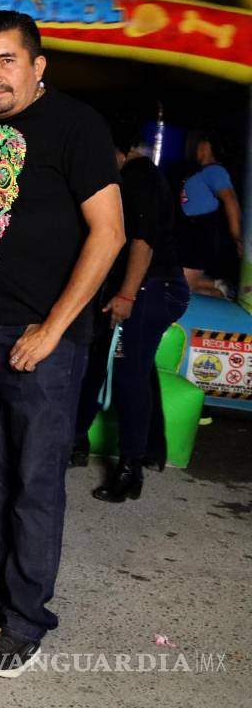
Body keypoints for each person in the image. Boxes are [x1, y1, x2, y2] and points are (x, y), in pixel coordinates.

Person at [0, 11, 124, 678]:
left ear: (39, 66)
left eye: (7, 60)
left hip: (43, 340)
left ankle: (27, 620)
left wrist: (53, 328)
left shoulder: (76, 126)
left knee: (34, 486)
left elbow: (109, 234)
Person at [71, 124, 188, 500]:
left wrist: (126, 294)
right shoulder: (133, 176)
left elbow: (143, 242)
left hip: (151, 288)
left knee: (127, 376)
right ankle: (82, 444)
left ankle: (130, 470)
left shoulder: (139, 177)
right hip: (145, 287)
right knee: (110, 364)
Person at [178, 130, 241, 297]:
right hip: (189, 235)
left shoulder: (215, 172)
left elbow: (230, 201)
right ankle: (220, 288)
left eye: (199, 144)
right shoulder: (201, 172)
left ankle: (222, 294)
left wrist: (236, 237)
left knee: (180, 288)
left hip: (199, 235)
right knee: (178, 284)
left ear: (206, 145)